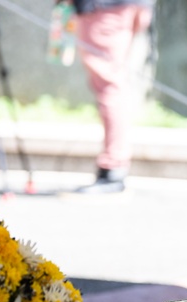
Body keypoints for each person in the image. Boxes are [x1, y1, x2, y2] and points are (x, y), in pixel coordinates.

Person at [69, 0, 155, 194]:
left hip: (105, 7)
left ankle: (113, 167)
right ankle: (113, 166)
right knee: (111, 83)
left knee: (109, 85)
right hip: (123, 6)